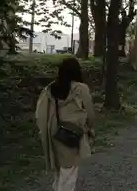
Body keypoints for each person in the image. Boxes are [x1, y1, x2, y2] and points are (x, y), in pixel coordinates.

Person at [35, 57, 95, 191]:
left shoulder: (50, 89)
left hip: (54, 134)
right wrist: (89, 127)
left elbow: (40, 113)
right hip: (72, 135)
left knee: (60, 172)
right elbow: (90, 113)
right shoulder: (81, 89)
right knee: (69, 174)